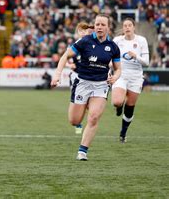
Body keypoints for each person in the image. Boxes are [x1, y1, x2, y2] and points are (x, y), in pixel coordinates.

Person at [51, 15, 121, 161]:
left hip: (101, 85)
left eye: (103, 24)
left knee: (94, 117)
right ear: (94, 26)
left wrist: (116, 77)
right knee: (74, 120)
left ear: (108, 27)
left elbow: (118, 68)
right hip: (82, 83)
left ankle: (82, 151)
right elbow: (65, 56)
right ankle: (86, 106)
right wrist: (57, 75)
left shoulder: (113, 47)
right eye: (97, 24)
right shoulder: (85, 41)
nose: (100, 27)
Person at [111, 18, 149, 143]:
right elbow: (109, 57)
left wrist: (136, 56)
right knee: (117, 101)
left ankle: (123, 132)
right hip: (120, 74)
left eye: (129, 25)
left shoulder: (141, 40)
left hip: (136, 77)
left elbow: (147, 63)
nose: (127, 27)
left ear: (134, 27)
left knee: (130, 107)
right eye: (125, 25)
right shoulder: (117, 40)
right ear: (123, 28)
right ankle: (118, 107)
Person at [66, 22, 94, 134]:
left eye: (85, 30)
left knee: (88, 103)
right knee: (77, 101)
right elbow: (66, 60)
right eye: (81, 31)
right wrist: (70, 65)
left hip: (88, 77)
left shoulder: (91, 45)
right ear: (77, 33)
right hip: (75, 76)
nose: (83, 33)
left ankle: (87, 122)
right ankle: (78, 123)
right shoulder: (73, 46)